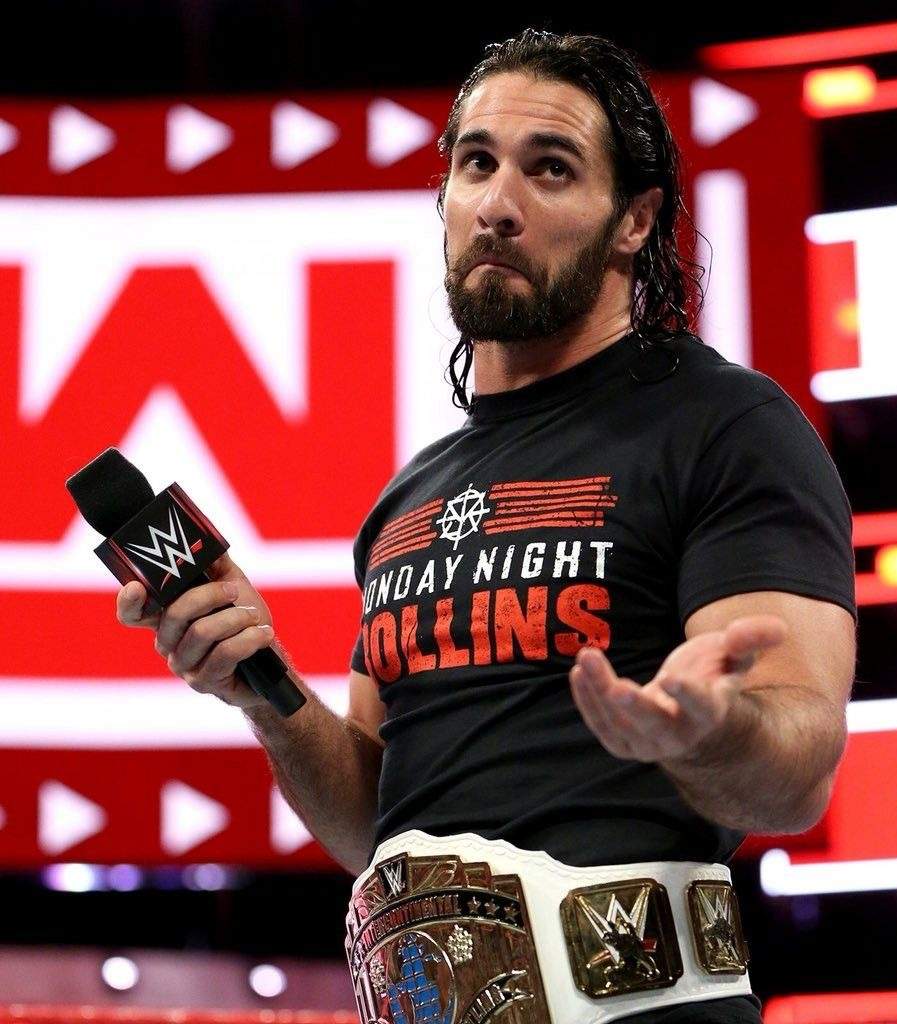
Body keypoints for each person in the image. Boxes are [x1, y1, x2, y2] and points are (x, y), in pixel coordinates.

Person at [115, 28, 857, 1024]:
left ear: (635, 220)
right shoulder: (409, 501)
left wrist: (706, 729)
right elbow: (371, 821)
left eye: (550, 170)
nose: (498, 206)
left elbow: (797, 775)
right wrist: (262, 687)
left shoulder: (726, 425)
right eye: (476, 164)